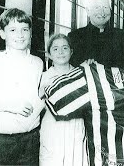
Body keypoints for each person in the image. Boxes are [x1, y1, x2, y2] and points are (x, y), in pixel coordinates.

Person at [0, 8, 45, 165]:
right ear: (2, 34)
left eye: (24, 29)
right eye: (13, 30)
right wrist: (10, 106)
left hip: (30, 143)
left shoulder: (38, 63)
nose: (20, 35)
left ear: (30, 33)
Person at [39, 33, 88, 166]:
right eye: (55, 49)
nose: (60, 52)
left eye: (65, 48)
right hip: (53, 128)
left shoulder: (81, 74)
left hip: (76, 126)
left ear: (71, 52)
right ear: (48, 54)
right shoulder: (43, 77)